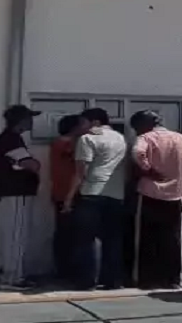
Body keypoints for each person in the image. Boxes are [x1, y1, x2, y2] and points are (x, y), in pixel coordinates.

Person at [63, 108, 127, 290]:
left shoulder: (86, 139)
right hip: (116, 194)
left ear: (95, 122)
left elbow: (80, 173)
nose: (80, 127)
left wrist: (69, 198)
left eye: (83, 122)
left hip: (91, 193)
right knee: (112, 239)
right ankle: (112, 280)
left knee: (86, 239)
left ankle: (87, 280)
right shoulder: (120, 138)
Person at [131, 110, 182, 289]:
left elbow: (137, 153)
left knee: (147, 238)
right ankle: (174, 279)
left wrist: (149, 170)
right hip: (176, 195)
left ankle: (146, 279)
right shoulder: (181, 139)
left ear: (143, 125)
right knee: (174, 239)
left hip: (149, 194)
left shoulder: (145, 138)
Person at [0, 104, 42, 290]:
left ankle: (7, 272)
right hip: (16, 192)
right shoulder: (11, 140)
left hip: (11, 192)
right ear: (21, 121)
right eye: (29, 118)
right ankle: (13, 278)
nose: (31, 121)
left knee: (12, 234)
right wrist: (36, 164)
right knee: (16, 236)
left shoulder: (7, 139)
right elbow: (31, 164)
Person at [49, 115, 87, 281]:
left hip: (63, 193)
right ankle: (68, 270)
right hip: (68, 194)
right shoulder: (66, 144)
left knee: (66, 233)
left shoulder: (60, 143)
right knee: (69, 235)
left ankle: (65, 270)